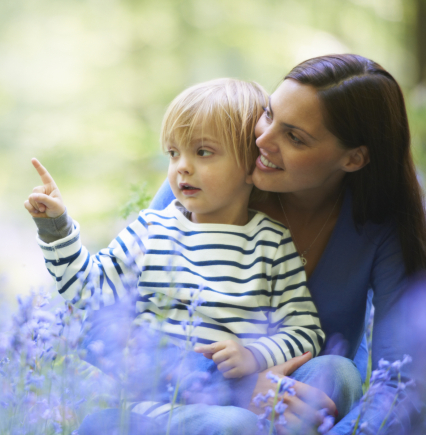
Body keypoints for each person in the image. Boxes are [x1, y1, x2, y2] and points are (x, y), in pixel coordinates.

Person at [24, 78, 326, 433]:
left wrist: (255, 355)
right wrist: (56, 227)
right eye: (173, 153)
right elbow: (88, 290)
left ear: (251, 164)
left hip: (234, 403)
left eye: (203, 152)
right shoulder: (152, 230)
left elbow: (306, 330)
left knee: (265, 408)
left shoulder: (270, 242)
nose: (182, 166)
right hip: (156, 405)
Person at [148, 53, 426, 434]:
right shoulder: (207, 182)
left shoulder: (381, 224)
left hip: (308, 403)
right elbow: (113, 324)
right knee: (233, 424)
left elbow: (404, 381)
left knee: (336, 370)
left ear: (354, 158)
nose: (262, 140)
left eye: (294, 137)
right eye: (267, 113)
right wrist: (235, 387)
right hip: (190, 396)